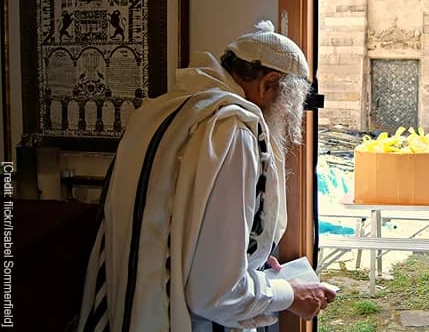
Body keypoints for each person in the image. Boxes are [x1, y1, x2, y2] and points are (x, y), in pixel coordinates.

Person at [76, 20, 336, 332]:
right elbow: (216, 293)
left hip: (130, 306)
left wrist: (252, 260)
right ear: (268, 84)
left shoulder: (162, 110)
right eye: (288, 104)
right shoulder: (233, 131)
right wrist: (289, 294)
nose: (286, 116)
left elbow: (182, 227)